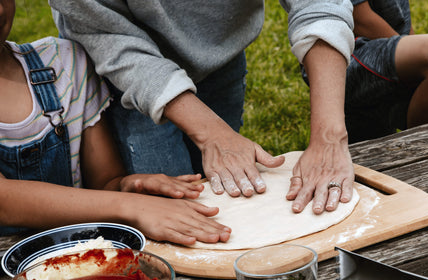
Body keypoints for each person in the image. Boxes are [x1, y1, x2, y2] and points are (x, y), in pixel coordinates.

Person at [49, 0, 357, 216]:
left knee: (227, 198)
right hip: (125, 69)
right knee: (178, 212)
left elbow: (319, 4)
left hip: (221, 51)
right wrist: (212, 135)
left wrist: (330, 135)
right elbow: (108, 36)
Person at [0, 0, 231, 245]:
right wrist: (133, 207)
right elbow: (4, 202)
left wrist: (127, 186)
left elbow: (106, 182)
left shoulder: (63, 64)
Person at [304, 0, 428, 142]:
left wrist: (410, 48)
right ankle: (419, 157)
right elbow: (359, 19)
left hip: (381, 44)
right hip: (342, 56)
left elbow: (400, 15)